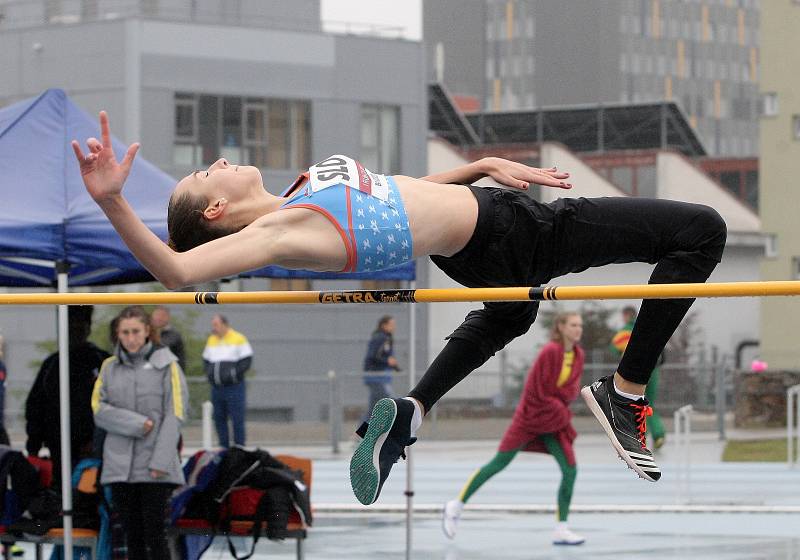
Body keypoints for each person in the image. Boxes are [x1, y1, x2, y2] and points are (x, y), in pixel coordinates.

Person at [73, 111, 727, 505]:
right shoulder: (279, 230)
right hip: (515, 234)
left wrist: (478, 166)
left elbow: (400, 195)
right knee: (701, 230)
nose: (215, 161)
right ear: (215, 210)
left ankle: (410, 411)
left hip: (485, 232)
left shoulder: (304, 189)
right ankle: (626, 393)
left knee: (510, 313)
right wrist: (112, 202)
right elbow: (177, 270)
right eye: (202, 174)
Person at [442, 312, 586, 545]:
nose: (578, 329)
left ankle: (562, 527)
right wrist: (557, 407)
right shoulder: (550, 351)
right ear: (561, 327)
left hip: (555, 421)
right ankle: (456, 505)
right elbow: (536, 390)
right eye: (573, 324)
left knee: (570, 470)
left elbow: (569, 391)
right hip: (530, 418)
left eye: (580, 325)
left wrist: (559, 408)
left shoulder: (578, 355)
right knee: (499, 462)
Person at [92, 306, 188, 560]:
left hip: (155, 467)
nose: (131, 338)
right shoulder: (108, 367)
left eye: (135, 331)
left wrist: (160, 461)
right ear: (117, 335)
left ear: (147, 331)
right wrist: (136, 423)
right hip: (120, 467)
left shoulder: (168, 366)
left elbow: (175, 414)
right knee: (130, 537)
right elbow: (98, 410)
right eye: (125, 332)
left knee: (155, 537)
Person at [25, 306, 110, 488]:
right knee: (62, 488)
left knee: (91, 491)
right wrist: (34, 444)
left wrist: (96, 440)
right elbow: (36, 405)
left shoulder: (101, 361)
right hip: (59, 444)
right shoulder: (53, 364)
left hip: (95, 445)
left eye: (80, 327)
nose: (76, 332)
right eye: (71, 327)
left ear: (88, 328)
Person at [610, 305, 666, 449]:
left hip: (633, 372)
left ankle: (640, 438)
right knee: (649, 403)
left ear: (626, 315)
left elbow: (614, 350)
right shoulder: (649, 328)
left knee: (635, 405)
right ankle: (658, 433)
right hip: (653, 371)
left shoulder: (623, 333)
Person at [202, 314, 253, 448]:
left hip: (234, 387)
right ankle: (223, 448)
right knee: (219, 418)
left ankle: (239, 448)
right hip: (217, 387)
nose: (214, 328)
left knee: (237, 418)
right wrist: (210, 375)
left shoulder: (238, 338)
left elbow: (246, 361)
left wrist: (233, 374)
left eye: (216, 325)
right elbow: (206, 361)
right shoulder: (212, 340)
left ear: (225, 324)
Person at [362, 316, 400, 422]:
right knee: (391, 403)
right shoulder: (380, 338)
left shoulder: (386, 338)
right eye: (391, 325)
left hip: (381, 377)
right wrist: (387, 361)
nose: (394, 327)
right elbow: (372, 356)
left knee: (372, 410)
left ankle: (360, 434)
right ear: (384, 325)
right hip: (377, 377)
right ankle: (392, 432)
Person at [151, 306, 186, 371]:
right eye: (156, 315)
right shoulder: (150, 333)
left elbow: (161, 347)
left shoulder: (173, 334)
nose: (158, 318)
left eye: (162, 316)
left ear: (168, 318)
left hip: (171, 373)